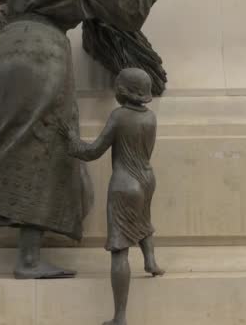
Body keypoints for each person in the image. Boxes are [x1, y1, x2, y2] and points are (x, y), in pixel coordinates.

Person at [0, 0, 173, 280]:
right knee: (44, 152)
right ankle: (28, 259)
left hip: (8, 46)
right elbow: (130, 9)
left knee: (7, 149)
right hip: (43, 52)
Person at [61, 68, 164, 325]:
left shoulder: (119, 117)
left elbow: (93, 151)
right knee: (142, 219)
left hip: (124, 183)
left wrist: (71, 141)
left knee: (119, 249)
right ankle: (150, 261)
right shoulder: (150, 117)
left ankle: (119, 316)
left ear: (123, 91)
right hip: (147, 179)